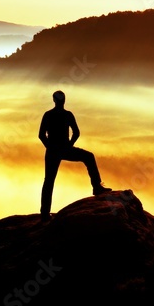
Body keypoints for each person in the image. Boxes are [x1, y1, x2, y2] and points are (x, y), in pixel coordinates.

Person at [38, 90, 110, 220]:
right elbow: (75, 133)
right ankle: (97, 187)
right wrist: (65, 145)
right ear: (60, 100)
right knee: (88, 157)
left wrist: (54, 147)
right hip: (59, 149)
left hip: (57, 150)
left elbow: (42, 135)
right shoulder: (63, 115)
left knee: (49, 181)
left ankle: (44, 214)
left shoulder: (52, 115)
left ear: (55, 100)